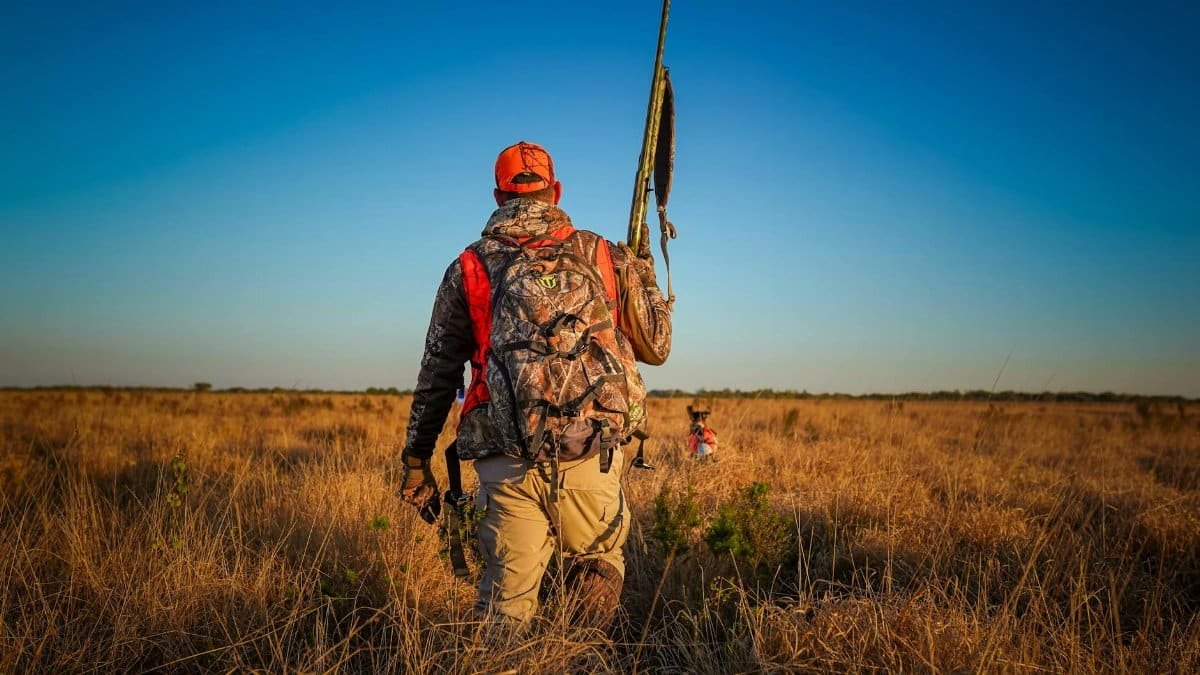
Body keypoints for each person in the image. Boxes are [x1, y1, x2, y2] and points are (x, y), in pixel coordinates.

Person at [397, 141, 672, 626]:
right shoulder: (604, 253)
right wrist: (644, 273)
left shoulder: (469, 267)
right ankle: (578, 656)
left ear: (499, 197)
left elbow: (437, 376)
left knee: (506, 606)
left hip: (505, 460)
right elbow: (657, 347)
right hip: (594, 452)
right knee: (596, 570)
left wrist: (417, 462)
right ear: (556, 191)